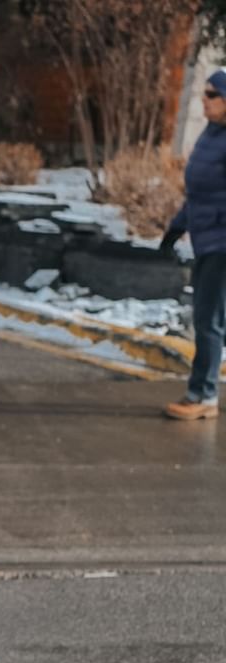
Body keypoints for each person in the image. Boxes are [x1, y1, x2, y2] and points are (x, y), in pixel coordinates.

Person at [160, 68, 226, 421]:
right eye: (205, 92)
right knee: (210, 317)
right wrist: (176, 228)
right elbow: (199, 194)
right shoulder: (211, 134)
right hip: (207, 239)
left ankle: (203, 395)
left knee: (208, 318)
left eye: (213, 94)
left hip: (220, 243)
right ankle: (204, 391)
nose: (205, 98)